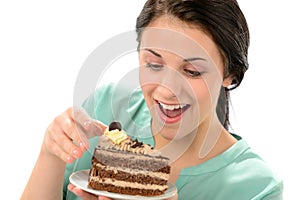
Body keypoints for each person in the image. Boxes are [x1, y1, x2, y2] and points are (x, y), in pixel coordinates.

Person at [21, 0, 283, 199]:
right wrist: (50, 153)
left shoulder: (256, 187)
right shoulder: (104, 106)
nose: (167, 90)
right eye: (154, 64)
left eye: (192, 71)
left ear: (230, 74)